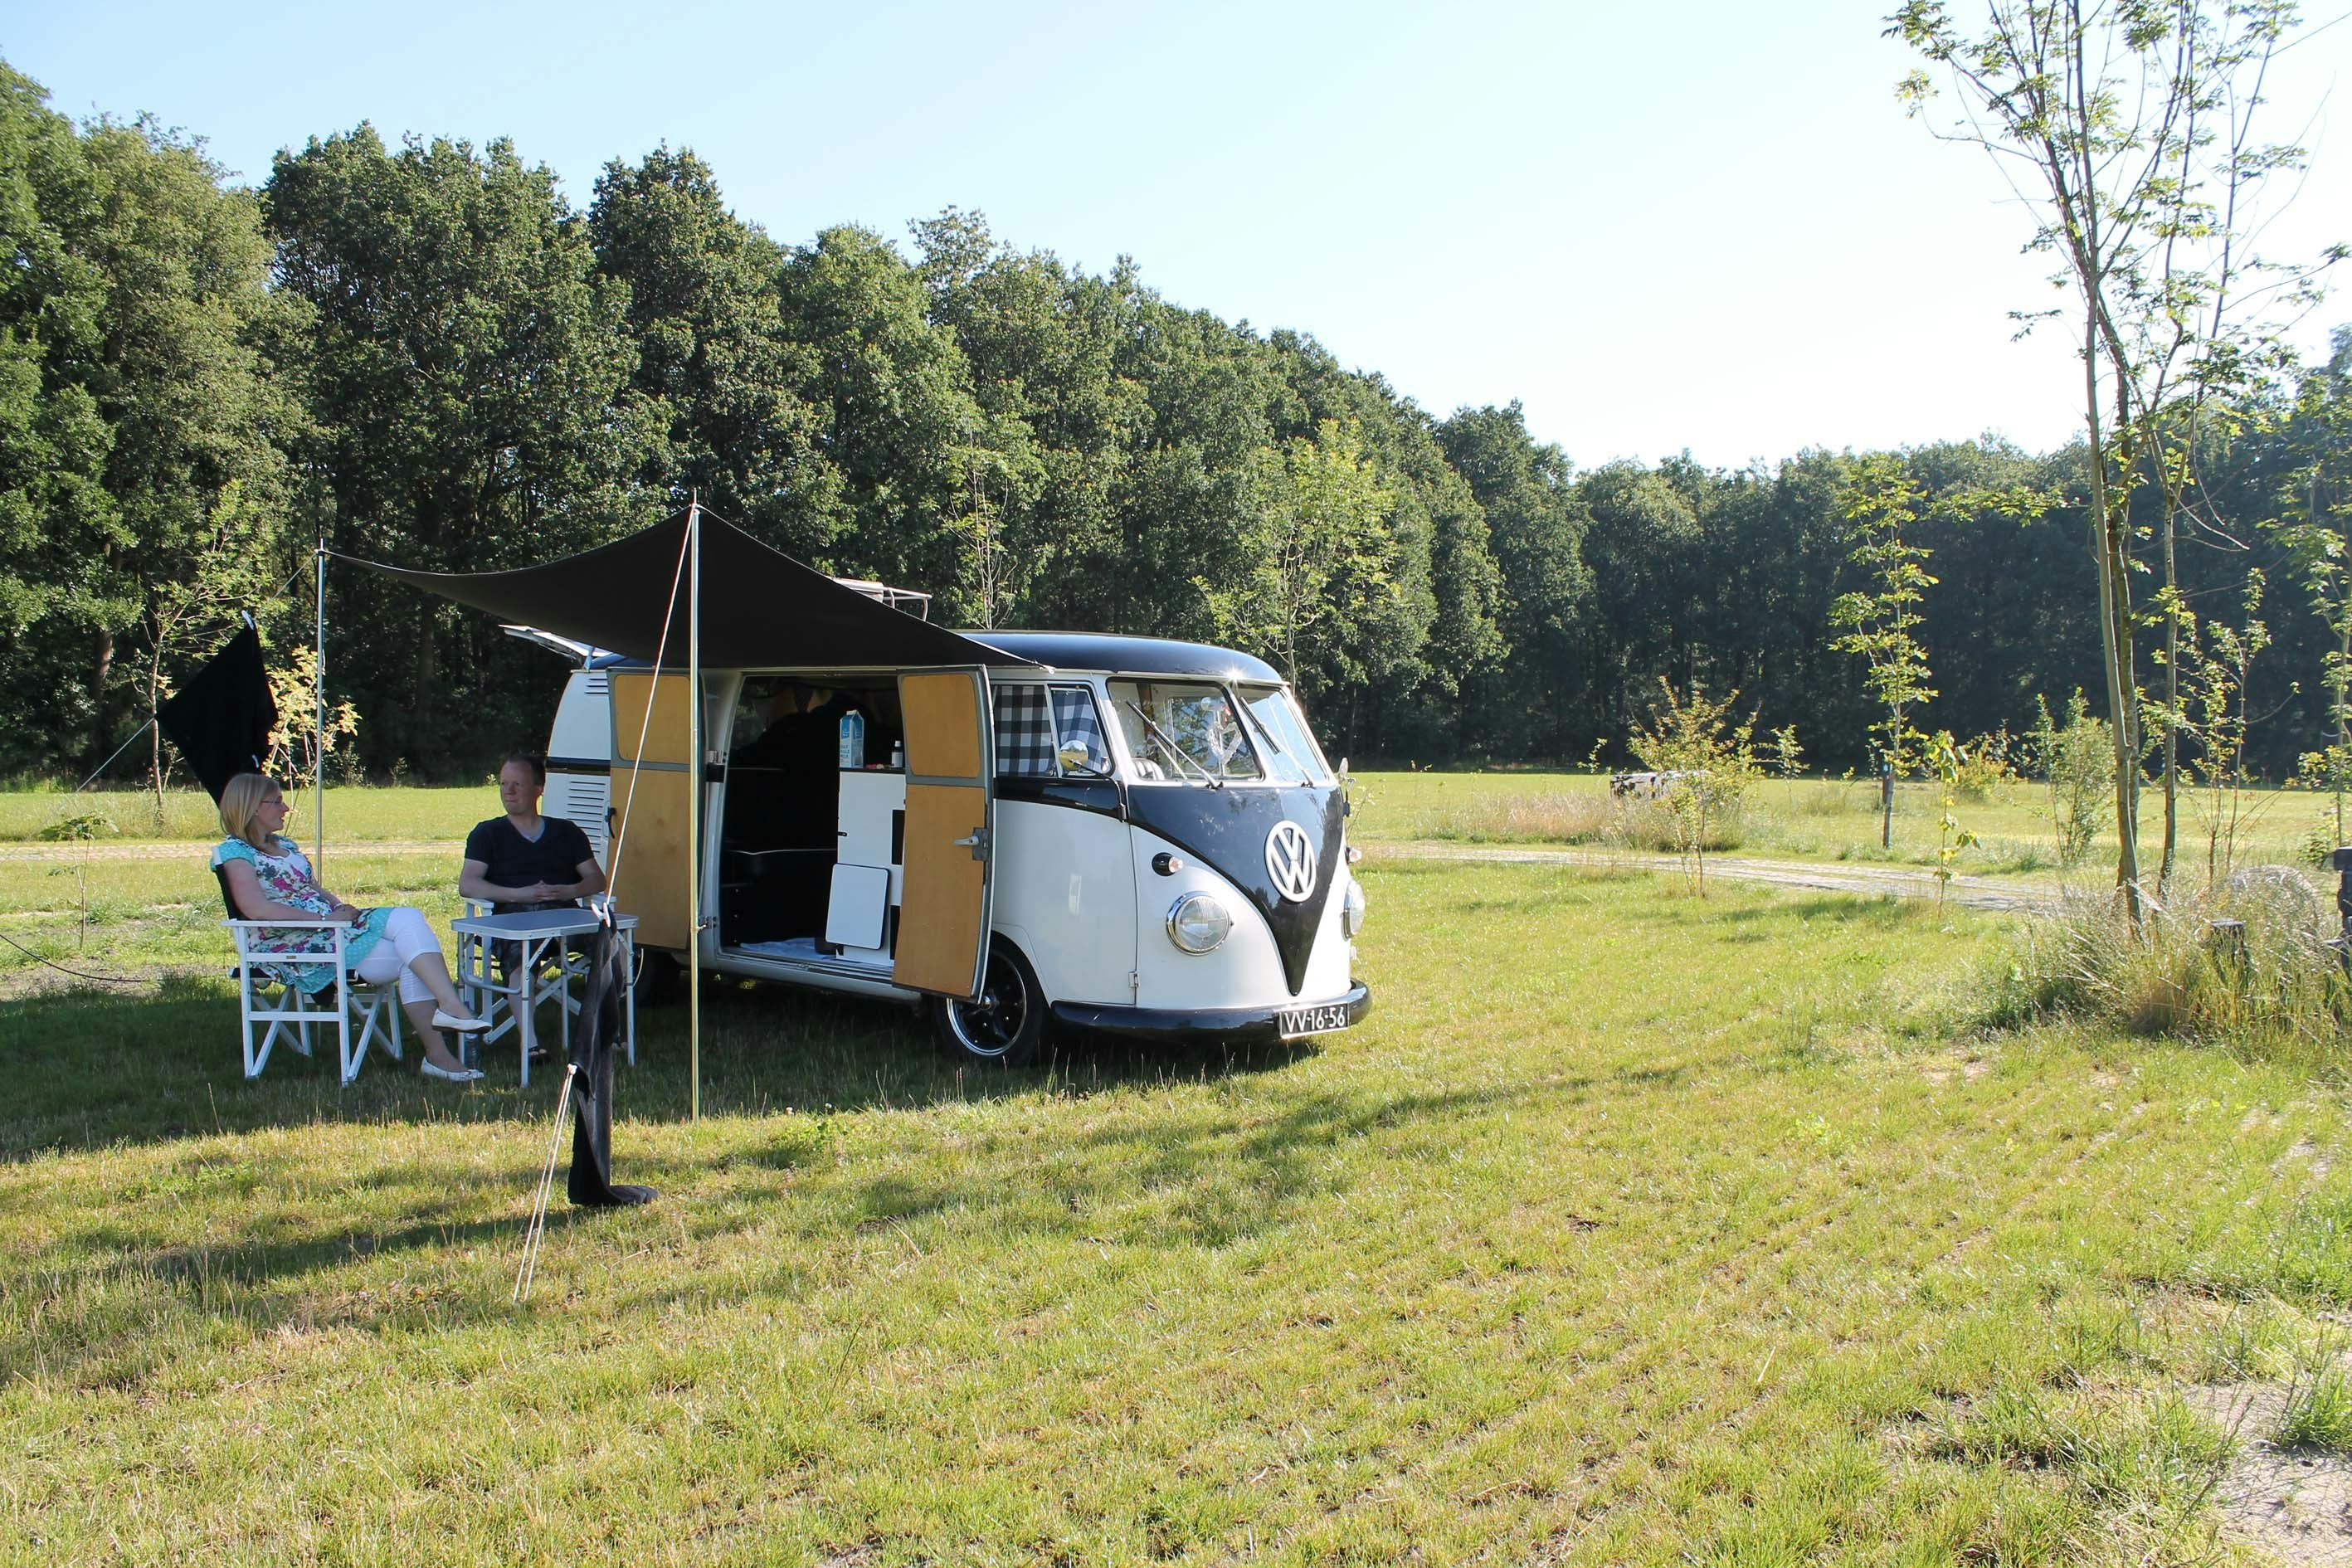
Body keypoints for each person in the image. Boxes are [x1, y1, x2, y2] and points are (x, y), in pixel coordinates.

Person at [212, 772, 487, 1083]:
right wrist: (325, 921)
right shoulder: (236, 852)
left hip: (331, 931)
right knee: (410, 941)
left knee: (411, 939)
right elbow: (256, 909)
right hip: (292, 944)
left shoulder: (284, 844)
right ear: (252, 807)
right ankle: (446, 1031)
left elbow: (312, 888)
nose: (286, 808)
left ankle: (443, 1040)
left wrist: (339, 907)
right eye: (276, 802)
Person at [459, 752, 606, 913]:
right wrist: (518, 895)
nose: (509, 791)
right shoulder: (487, 834)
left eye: (517, 784)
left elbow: (597, 879)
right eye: (504, 784)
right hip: (511, 922)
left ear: (539, 789)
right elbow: (468, 884)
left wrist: (570, 891)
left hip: (564, 919)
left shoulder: (567, 832)